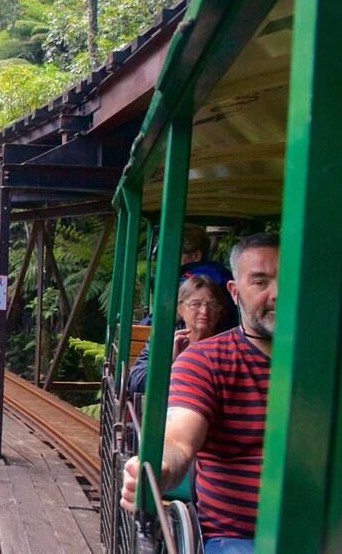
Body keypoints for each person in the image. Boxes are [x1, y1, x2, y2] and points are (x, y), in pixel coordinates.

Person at [121, 233, 278, 554]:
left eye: (209, 305)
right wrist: (159, 467)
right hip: (241, 535)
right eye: (261, 282)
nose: (278, 293)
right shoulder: (197, 355)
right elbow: (177, 437)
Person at [127, 275, 230, 396]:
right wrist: (171, 363)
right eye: (196, 304)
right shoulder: (164, 341)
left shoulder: (229, 346)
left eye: (212, 305)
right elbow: (135, 384)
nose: (204, 311)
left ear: (220, 310)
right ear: (180, 309)